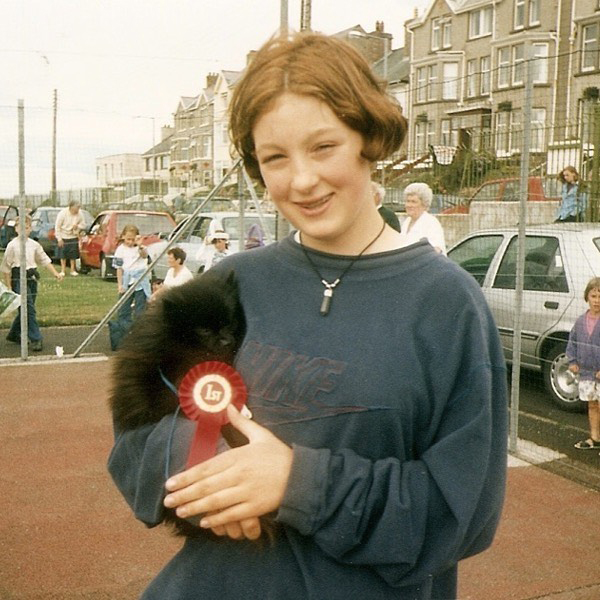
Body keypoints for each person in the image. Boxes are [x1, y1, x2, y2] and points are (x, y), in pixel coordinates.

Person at [108, 32, 508, 600]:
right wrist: (207, 472)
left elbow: (460, 512)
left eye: (323, 147)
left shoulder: (447, 304)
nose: (301, 180)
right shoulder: (232, 282)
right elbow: (138, 425)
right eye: (275, 158)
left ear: (369, 138)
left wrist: (297, 483)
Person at [0, 215, 64, 351]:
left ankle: (14, 333)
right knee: (28, 309)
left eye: (27, 227)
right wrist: (10, 286)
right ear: (16, 229)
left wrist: (56, 273)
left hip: (32, 277)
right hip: (18, 277)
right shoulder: (12, 246)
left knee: (26, 308)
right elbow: (6, 268)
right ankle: (36, 338)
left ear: (30, 228)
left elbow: (44, 260)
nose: (24, 230)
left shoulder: (34, 245)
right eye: (21, 227)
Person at [567, 277, 600, 450]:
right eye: (593, 296)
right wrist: (572, 361)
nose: (597, 301)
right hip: (587, 374)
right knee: (592, 404)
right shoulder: (580, 321)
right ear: (587, 297)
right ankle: (595, 438)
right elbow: (572, 342)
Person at [108, 225, 151, 350]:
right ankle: (126, 337)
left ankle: (139, 339)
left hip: (140, 282)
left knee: (140, 312)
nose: (130, 242)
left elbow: (144, 256)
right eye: (128, 239)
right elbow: (119, 269)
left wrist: (139, 245)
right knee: (123, 311)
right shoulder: (120, 250)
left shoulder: (141, 248)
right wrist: (120, 285)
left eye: (133, 239)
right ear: (123, 237)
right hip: (127, 281)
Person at [400, 182, 447, 254]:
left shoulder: (431, 223)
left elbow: (436, 250)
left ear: (424, 204)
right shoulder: (407, 222)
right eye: (408, 201)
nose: (409, 205)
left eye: (414, 202)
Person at [55, 200, 86, 276]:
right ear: (71, 207)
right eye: (76, 208)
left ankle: (72, 270)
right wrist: (59, 239)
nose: (77, 210)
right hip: (63, 235)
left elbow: (84, 225)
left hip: (73, 236)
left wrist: (77, 226)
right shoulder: (62, 214)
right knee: (63, 254)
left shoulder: (80, 214)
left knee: (73, 254)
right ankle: (62, 270)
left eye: (78, 208)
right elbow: (57, 227)